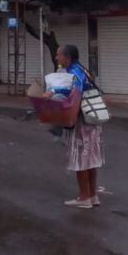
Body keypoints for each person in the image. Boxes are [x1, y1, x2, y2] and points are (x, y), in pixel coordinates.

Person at [44, 44, 104, 210]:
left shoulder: (73, 72)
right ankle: (92, 196)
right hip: (92, 119)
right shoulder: (82, 69)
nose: (57, 57)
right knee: (91, 160)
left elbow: (75, 93)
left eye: (59, 55)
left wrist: (53, 92)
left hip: (81, 122)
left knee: (81, 160)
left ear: (67, 57)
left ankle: (84, 197)